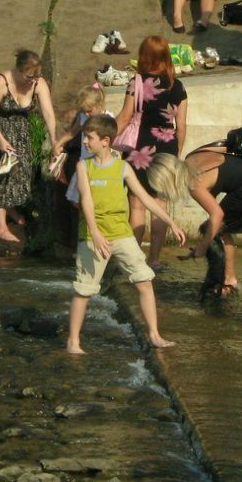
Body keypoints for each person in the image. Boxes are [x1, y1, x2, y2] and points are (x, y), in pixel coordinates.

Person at [66, 115, 186, 355]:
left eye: (89, 137)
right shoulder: (83, 166)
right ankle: (73, 342)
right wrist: (96, 233)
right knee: (83, 290)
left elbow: (143, 197)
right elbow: (86, 202)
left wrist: (170, 222)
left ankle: (154, 335)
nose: (86, 142)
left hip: (122, 234)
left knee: (144, 281)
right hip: (92, 237)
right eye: (85, 137)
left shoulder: (123, 167)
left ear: (105, 140)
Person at [147, 147, 242, 297]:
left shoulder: (193, 182)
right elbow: (221, 151)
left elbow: (218, 214)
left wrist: (203, 247)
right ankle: (228, 280)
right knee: (214, 229)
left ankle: (230, 281)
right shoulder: (191, 159)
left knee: (218, 229)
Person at [116, 36, 188, 269]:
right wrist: (177, 154)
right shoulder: (176, 85)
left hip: (139, 148)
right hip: (167, 147)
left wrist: (106, 137)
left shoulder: (136, 82)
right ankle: (155, 259)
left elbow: (125, 117)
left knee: (136, 203)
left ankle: (135, 259)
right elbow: (182, 125)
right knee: (160, 204)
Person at [0, 49, 58, 242]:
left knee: (19, 175)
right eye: (29, 77)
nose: (32, 81)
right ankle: (1, 227)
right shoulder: (2, 81)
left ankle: (10, 209)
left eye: (35, 77)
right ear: (19, 70)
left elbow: (48, 113)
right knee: (1, 177)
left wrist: (54, 139)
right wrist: (0, 140)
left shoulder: (38, 83)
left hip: (21, 132)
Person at [52, 82, 108, 202]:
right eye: (83, 111)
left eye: (89, 110)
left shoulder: (107, 120)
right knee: (77, 199)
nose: (86, 113)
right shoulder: (83, 116)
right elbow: (73, 132)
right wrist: (58, 143)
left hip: (99, 164)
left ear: (99, 105)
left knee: (95, 197)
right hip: (85, 161)